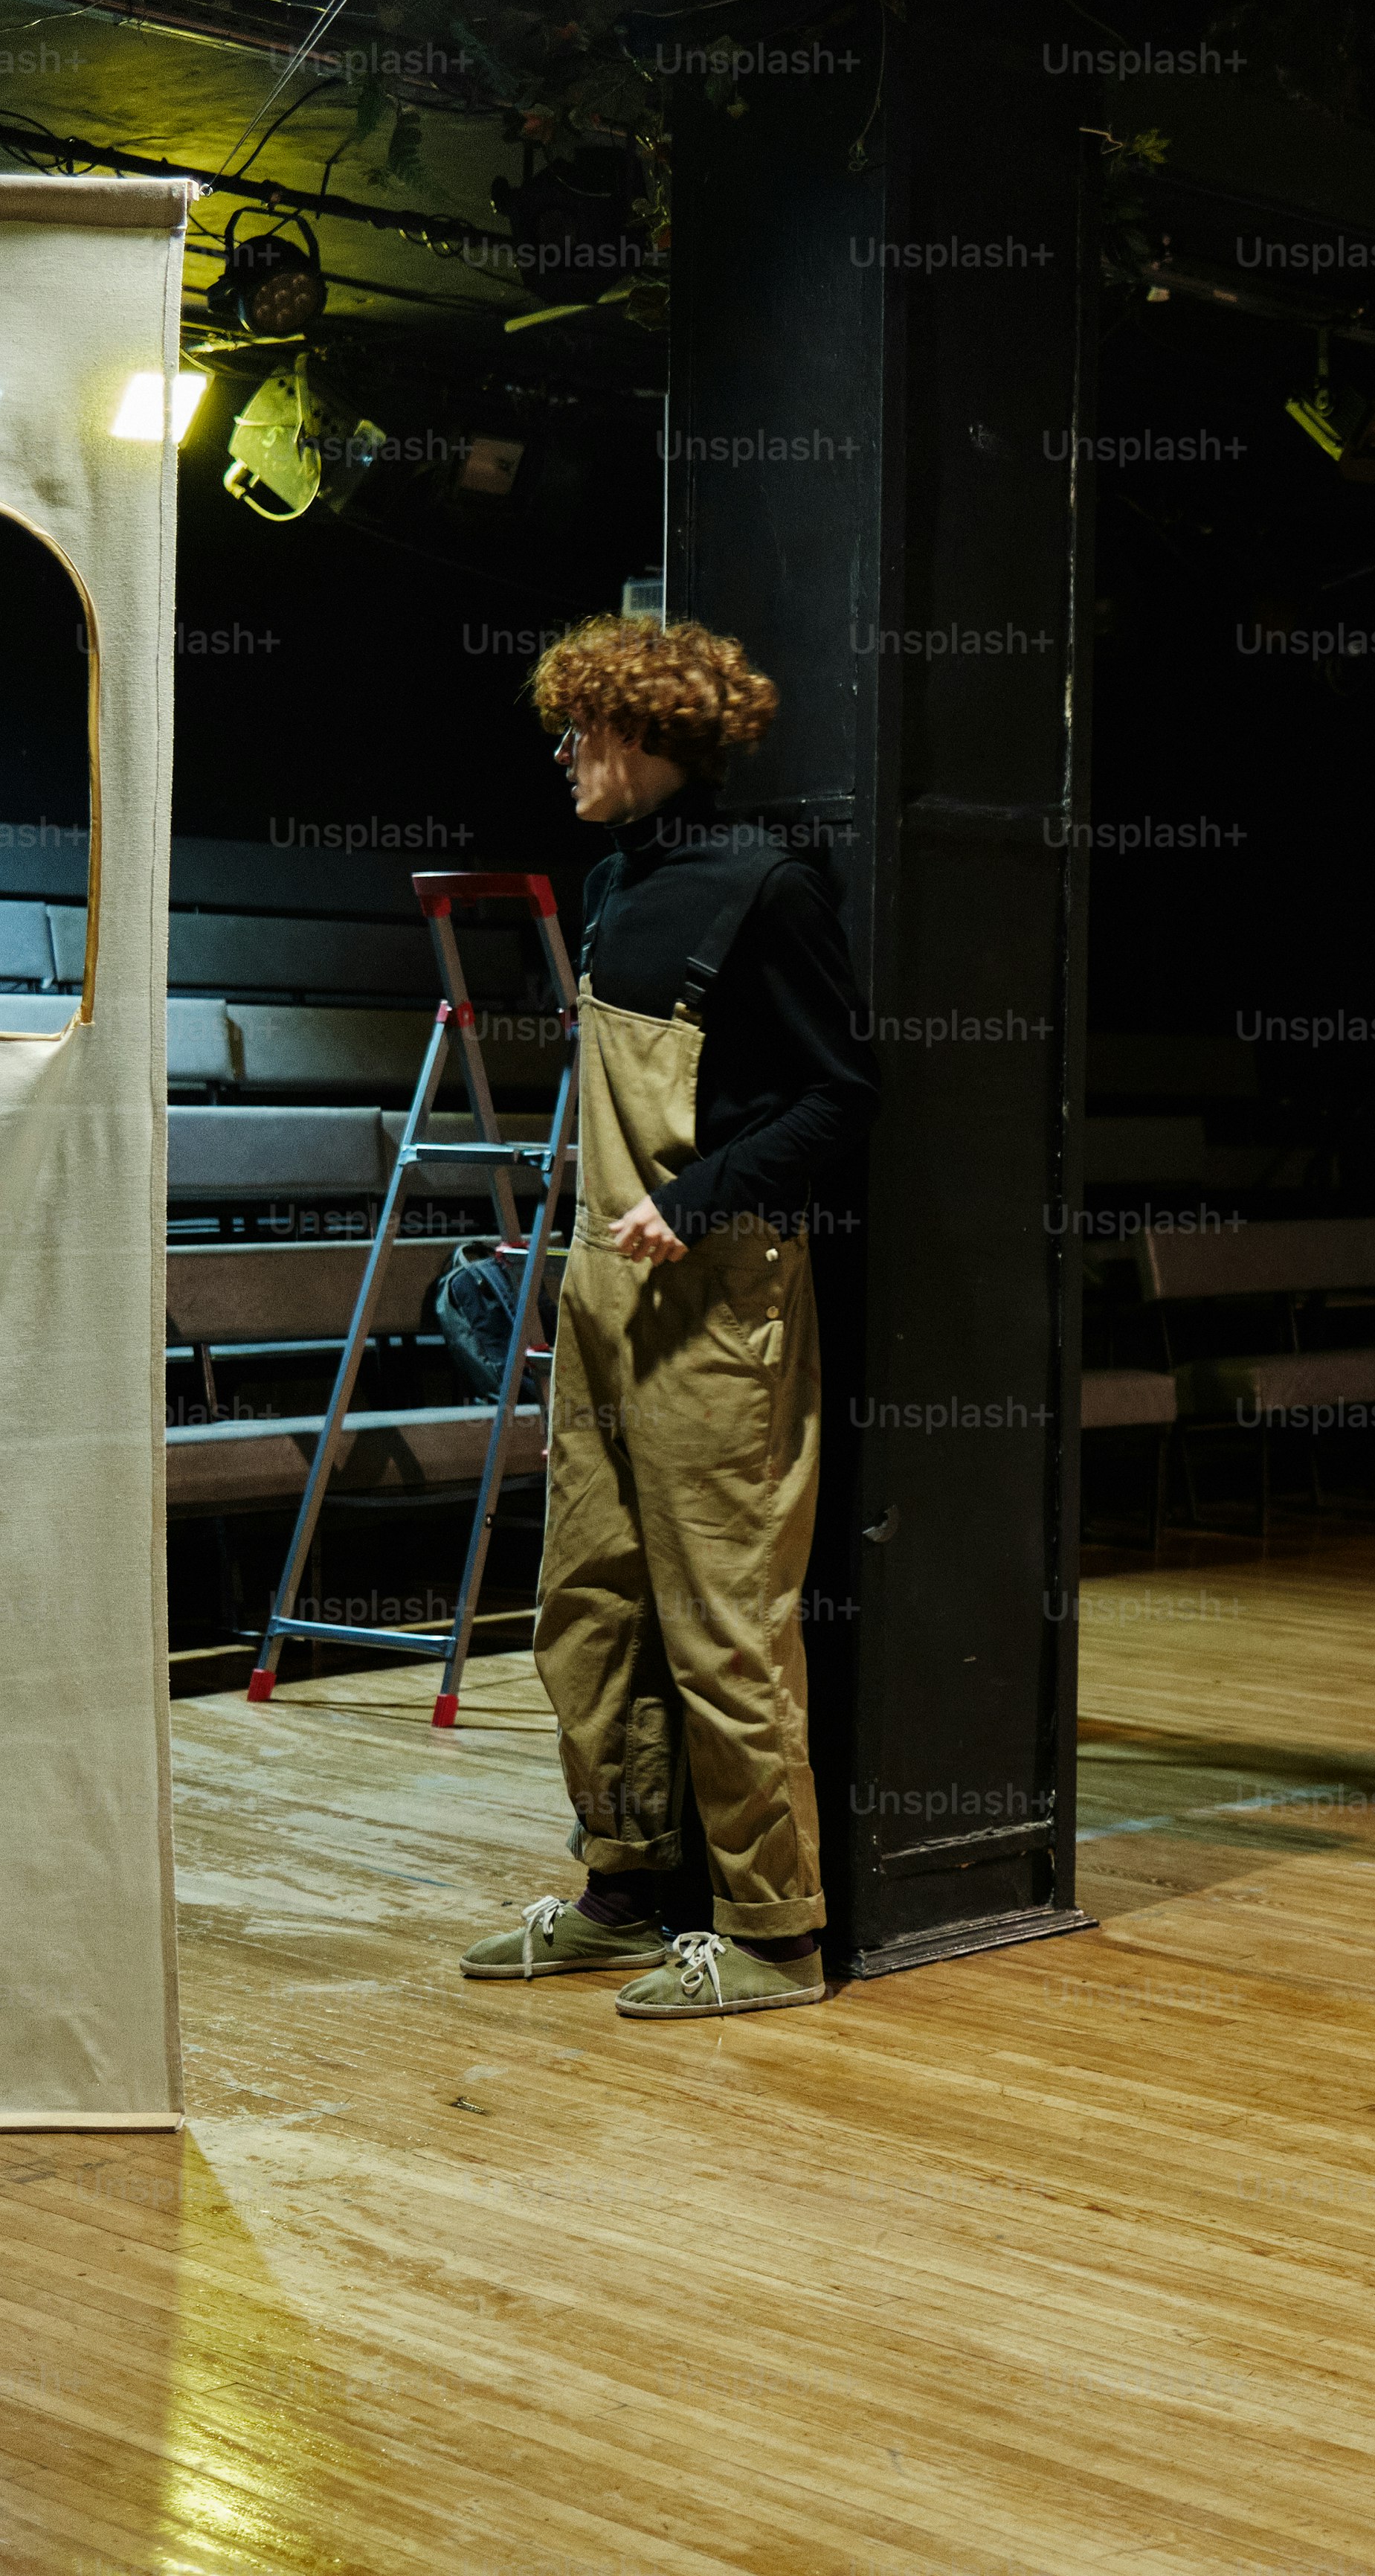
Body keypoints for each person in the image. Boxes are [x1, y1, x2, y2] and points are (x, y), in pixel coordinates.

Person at [454, 614, 878, 2014]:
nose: (566, 754)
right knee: (585, 1606)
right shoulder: (620, 879)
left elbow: (841, 1099)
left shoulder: (771, 888)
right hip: (600, 1297)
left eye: (581, 731)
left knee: (724, 1619)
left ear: (641, 736)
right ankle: (628, 1889)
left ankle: (774, 1934)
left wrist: (696, 1205)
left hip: (719, 1300)